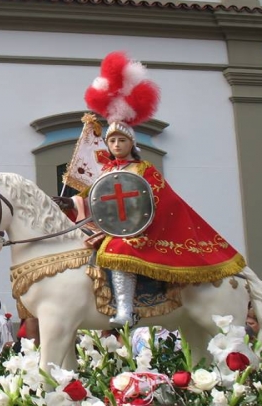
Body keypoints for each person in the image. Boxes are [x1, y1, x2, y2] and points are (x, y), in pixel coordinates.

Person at [54, 52, 246, 328]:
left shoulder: (143, 170)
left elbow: (161, 201)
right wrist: (71, 203)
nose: (116, 145)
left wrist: (133, 225)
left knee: (117, 250)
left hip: (141, 231)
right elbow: (92, 199)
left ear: (131, 143)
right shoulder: (107, 171)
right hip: (108, 227)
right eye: (112, 141)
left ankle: (126, 309)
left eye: (121, 140)